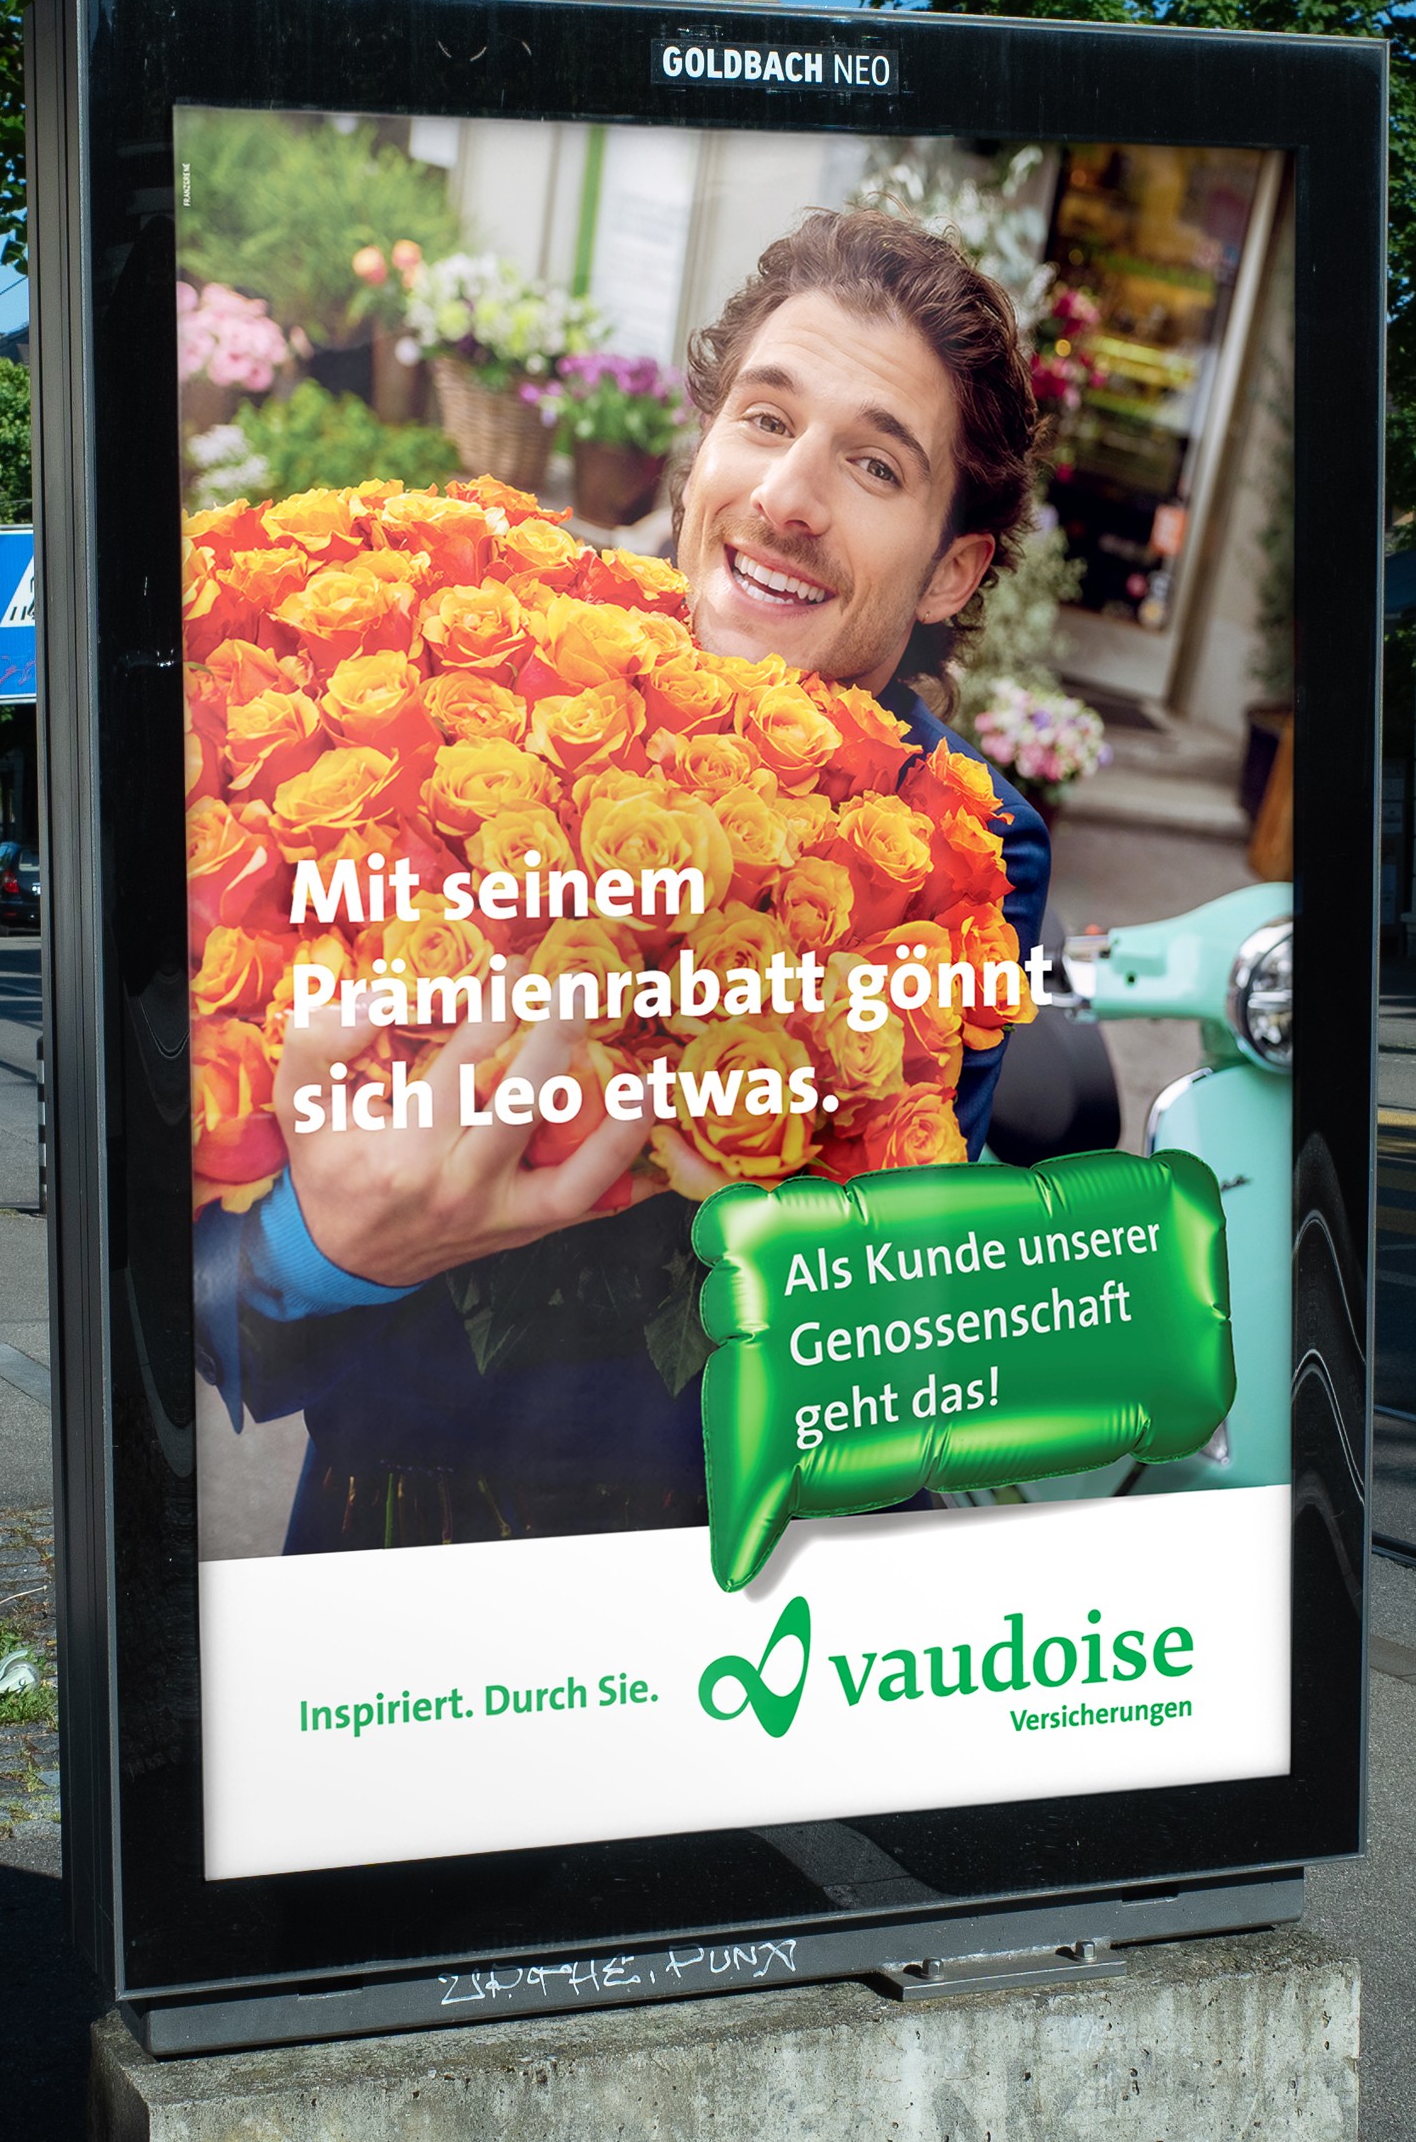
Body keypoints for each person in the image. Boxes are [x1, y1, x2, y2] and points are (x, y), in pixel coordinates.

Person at [196, 208, 1055, 1554]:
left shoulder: (957, 848)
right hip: (392, 1583)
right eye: (766, 422)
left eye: (876, 464)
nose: (789, 496)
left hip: (740, 1599)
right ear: (700, 448)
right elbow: (187, 1284)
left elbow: (863, 1310)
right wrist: (316, 1248)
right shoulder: (438, 701)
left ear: (953, 566)